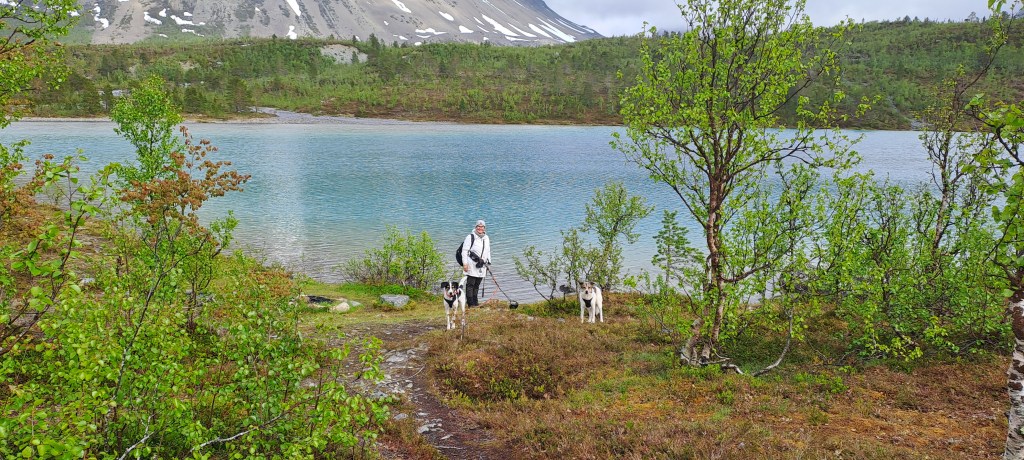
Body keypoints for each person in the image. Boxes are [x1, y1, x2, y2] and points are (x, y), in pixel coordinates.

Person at [461, 219, 491, 307]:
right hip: (471, 264)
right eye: (478, 226)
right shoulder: (470, 237)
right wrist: (465, 264)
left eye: (482, 227)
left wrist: (489, 262)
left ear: (484, 228)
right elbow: (464, 251)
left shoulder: (486, 238)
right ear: (475, 227)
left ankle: (476, 302)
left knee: (477, 285)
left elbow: (488, 250)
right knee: (471, 284)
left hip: (482, 265)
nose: (480, 228)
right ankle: (470, 303)